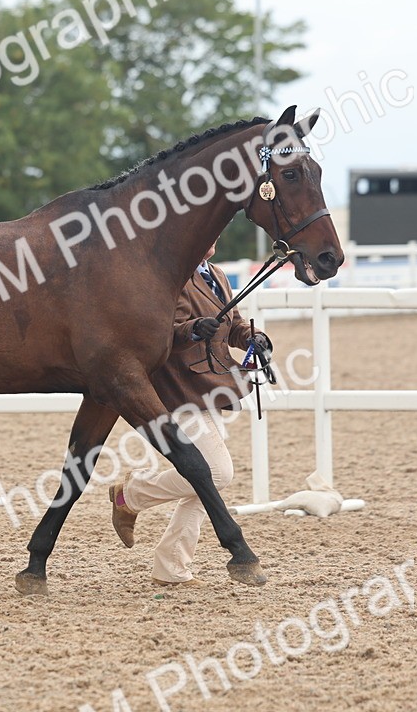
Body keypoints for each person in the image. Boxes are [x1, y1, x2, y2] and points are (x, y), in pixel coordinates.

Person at [109, 239, 273, 587]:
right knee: (217, 474)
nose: (212, 238)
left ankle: (170, 566)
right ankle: (133, 495)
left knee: (204, 484)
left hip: (208, 387)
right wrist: (192, 329)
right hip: (177, 388)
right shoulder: (170, 276)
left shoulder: (215, 274)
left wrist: (252, 338)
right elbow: (157, 333)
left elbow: (234, 322)